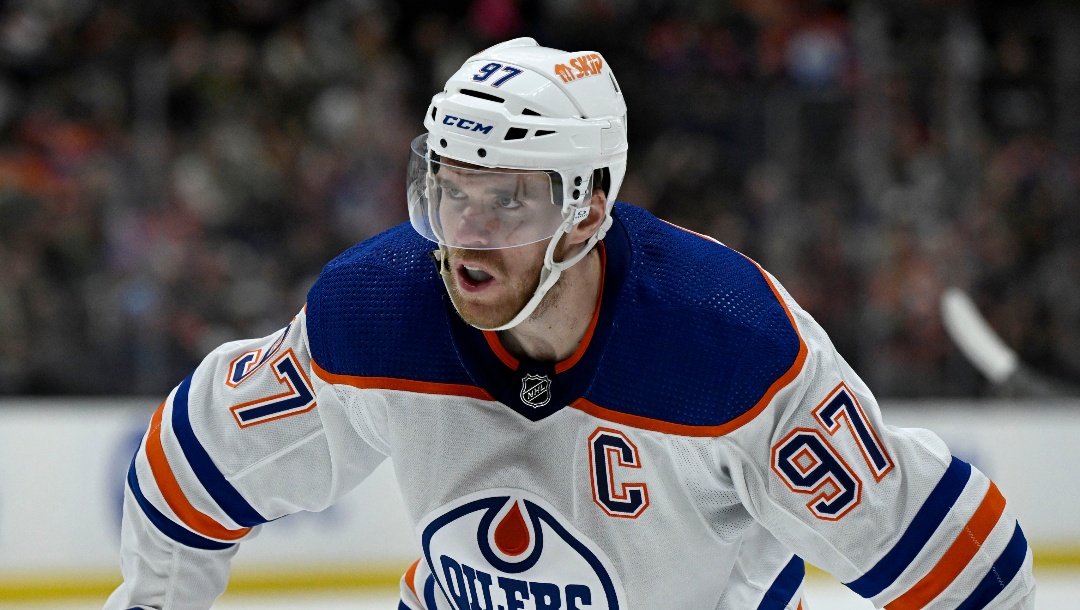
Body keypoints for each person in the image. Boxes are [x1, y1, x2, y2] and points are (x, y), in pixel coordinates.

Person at [106, 38, 1035, 610]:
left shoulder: (727, 342)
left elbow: (959, 562)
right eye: (451, 190)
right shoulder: (372, 312)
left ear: (589, 210)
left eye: (506, 200)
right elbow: (192, 467)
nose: (464, 233)